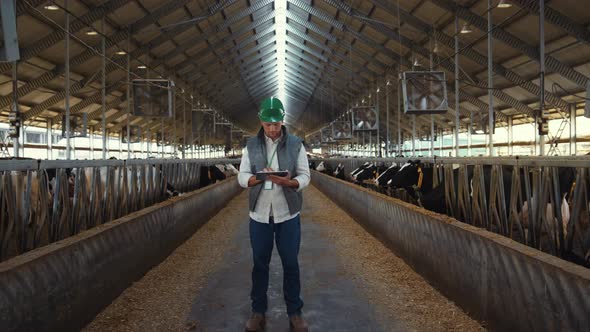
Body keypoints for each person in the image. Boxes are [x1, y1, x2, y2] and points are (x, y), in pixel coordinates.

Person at [238, 97, 311, 332]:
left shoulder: (296, 144)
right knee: (260, 263)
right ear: (261, 121)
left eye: (276, 124)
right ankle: (258, 311)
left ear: (282, 121)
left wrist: (289, 183)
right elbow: (242, 176)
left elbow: (305, 176)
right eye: (268, 124)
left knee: (290, 263)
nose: (272, 128)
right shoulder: (250, 146)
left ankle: (295, 313)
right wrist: (258, 177)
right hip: (259, 215)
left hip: (287, 214)